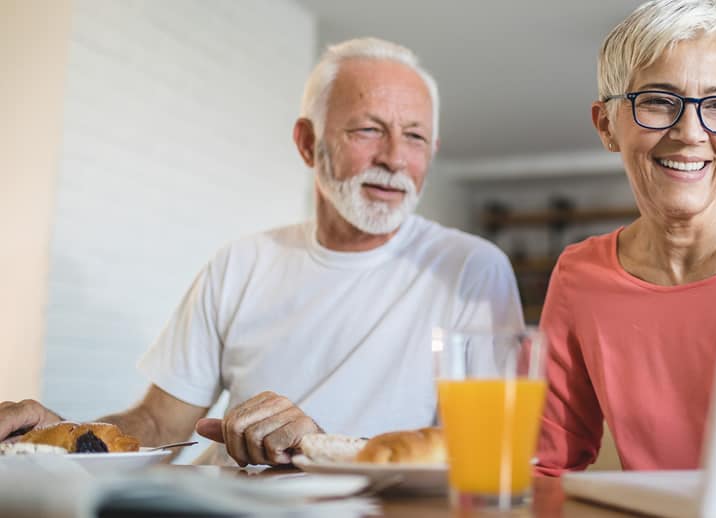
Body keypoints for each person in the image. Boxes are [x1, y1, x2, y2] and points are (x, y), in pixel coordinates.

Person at [0, 37, 523, 467]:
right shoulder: (241, 263)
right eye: (368, 129)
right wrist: (62, 439)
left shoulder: (472, 270)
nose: (393, 159)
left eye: (414, 137)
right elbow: (161, 422)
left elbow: (490, 450)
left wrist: (319, 446)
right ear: (306, 142)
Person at [534, 0, 716, 475]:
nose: (691, 133)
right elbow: (545, 467)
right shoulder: (579, 277)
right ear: (606, 125)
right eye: (657, 101)